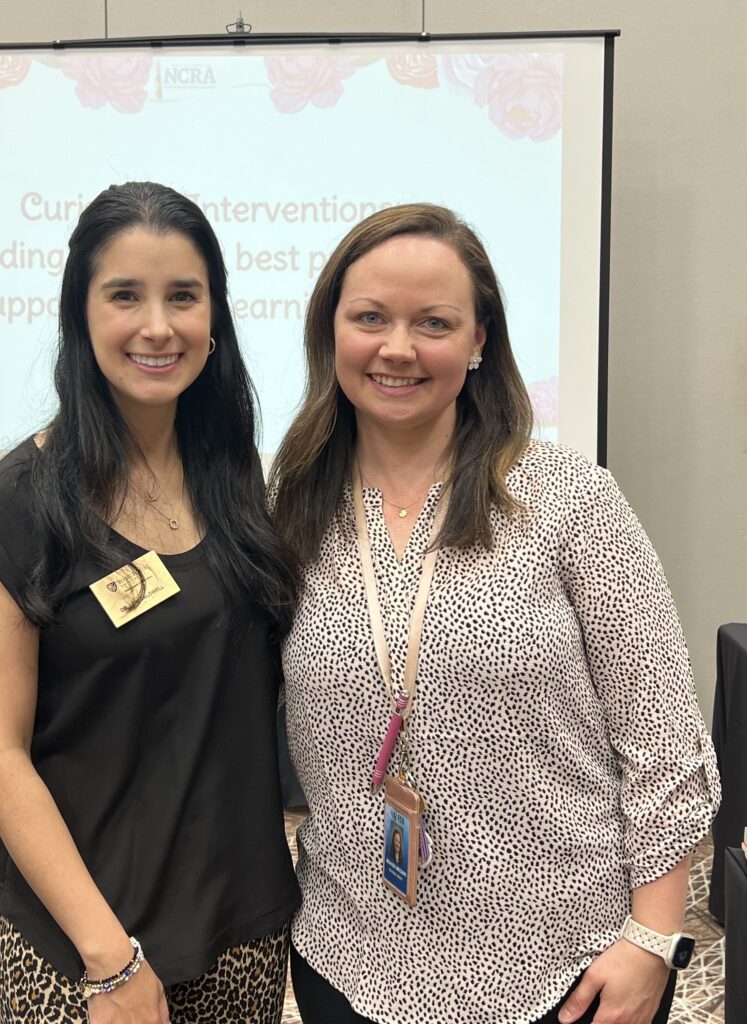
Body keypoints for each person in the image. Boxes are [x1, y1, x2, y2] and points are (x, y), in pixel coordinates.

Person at [270, 203, 721, 1024]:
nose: (397, 347)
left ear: (480, 341)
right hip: (352, 955)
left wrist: (651, 939)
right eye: (369, 317)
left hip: (570, 965)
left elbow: (660, 734)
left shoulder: (568, 499)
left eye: (432, 322)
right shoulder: (283, 513)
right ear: (329, 331)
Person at [0, 181, 300, 1024]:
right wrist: (107, 960)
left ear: (214, 317)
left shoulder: (233, 474)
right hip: (91, 943)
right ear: (81, 315)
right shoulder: (17, 508)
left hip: (241, 921)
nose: (157, 326)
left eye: (183, 295)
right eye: (124, 296)